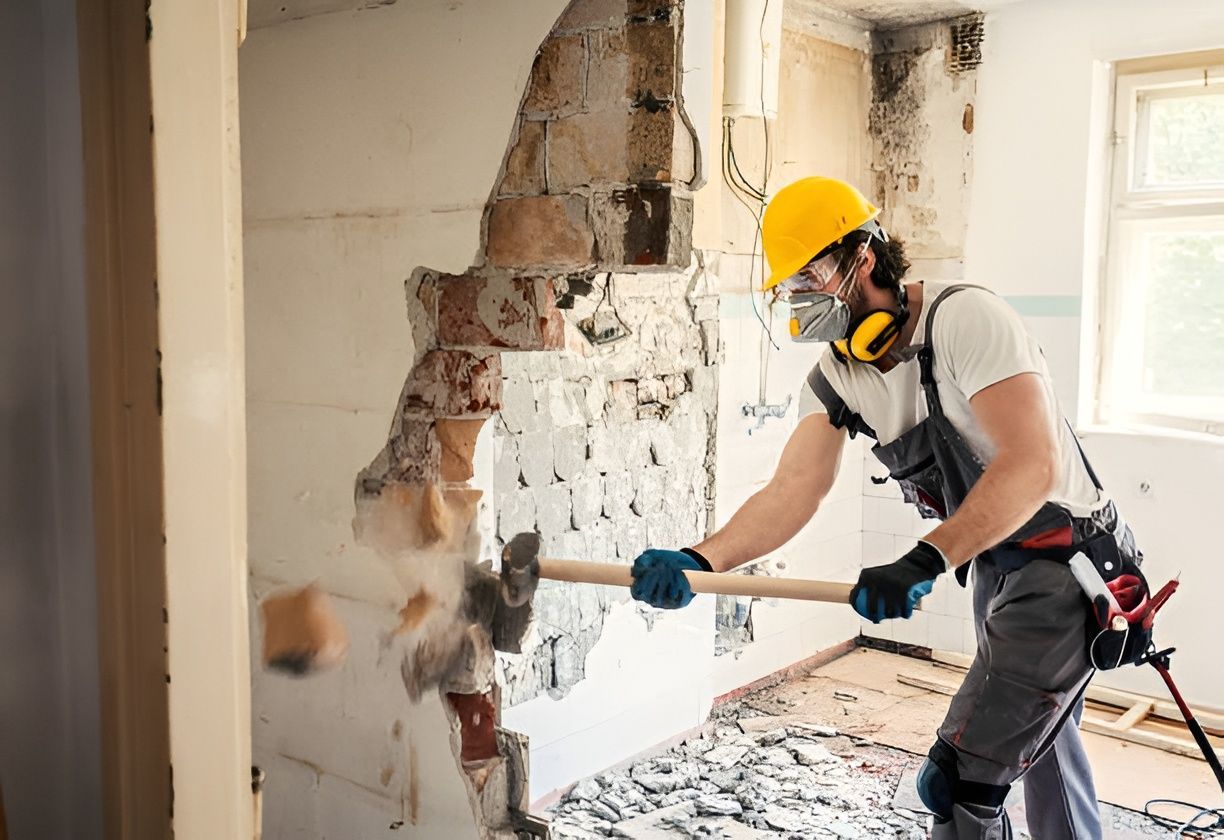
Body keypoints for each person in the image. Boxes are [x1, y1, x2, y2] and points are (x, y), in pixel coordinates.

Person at [629, 176, 1144, 839]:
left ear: (863, 258)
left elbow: (1033, 464)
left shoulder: (965, 320)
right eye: (789, 285)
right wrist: (701, 560)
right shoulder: (839, 375)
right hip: (995, 567)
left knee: (960, 780)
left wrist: (923, 561)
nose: (798, 297)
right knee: (1038, 743)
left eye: (810, 275)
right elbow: (793, 489)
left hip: (1068, 566)